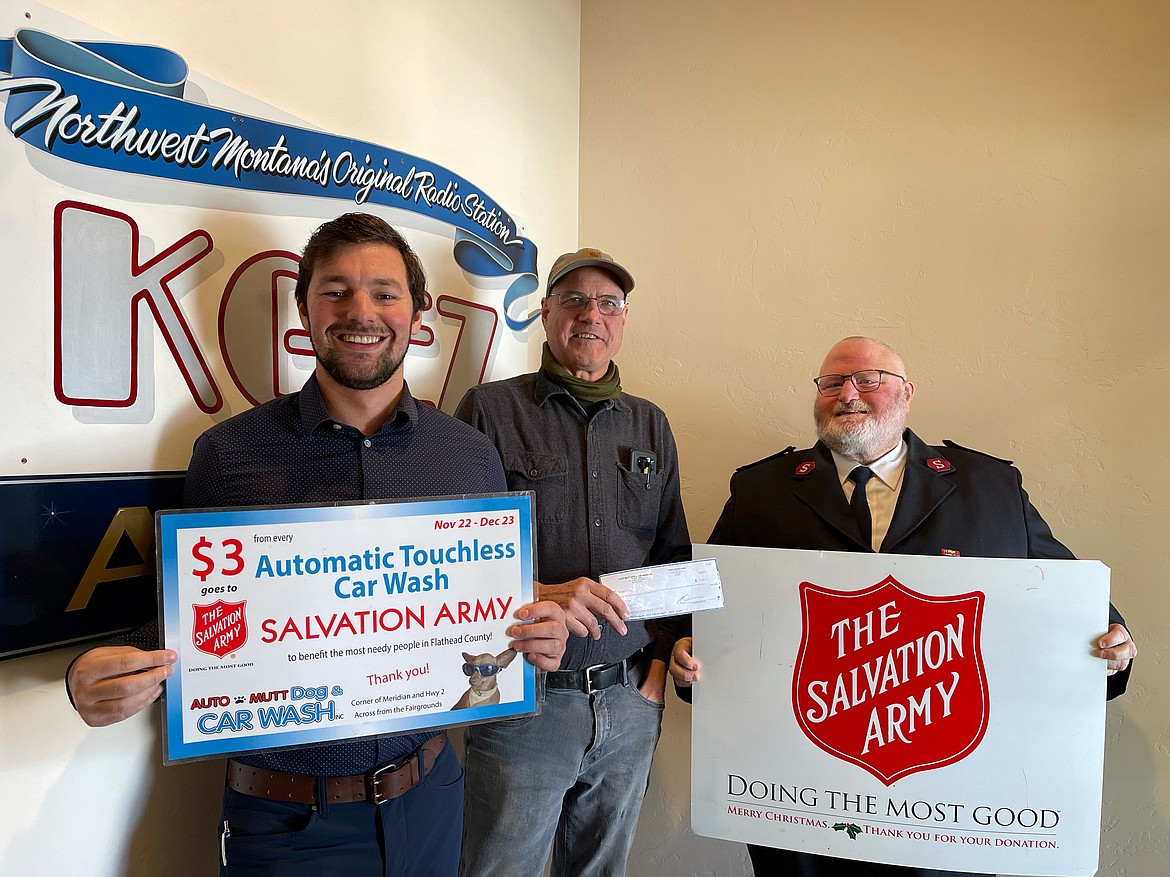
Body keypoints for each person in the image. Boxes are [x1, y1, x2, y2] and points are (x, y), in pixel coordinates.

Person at [65, 213, 569, 877]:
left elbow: (485, 615)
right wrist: (96, 678)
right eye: (336, 290)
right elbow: (192, 624)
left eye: (384, 292)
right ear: (302, 307)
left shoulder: (470, 457)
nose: (360, 311)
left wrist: (536, 633)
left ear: (418, 312)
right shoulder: (228, 454)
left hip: (433, 799)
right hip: (287, 824)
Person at [670, 335, 1137, 877]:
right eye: (831, 383)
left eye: (869, 380)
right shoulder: (762, 489)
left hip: (950, 804)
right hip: (802, 796)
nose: (848, 393)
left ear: (907, 393)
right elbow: (707, 595)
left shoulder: (990, 486)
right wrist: (686, 643)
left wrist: (1110, 635)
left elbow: (1062, 588)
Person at [454, 248, 691, 877]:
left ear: (624, 318)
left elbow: (672, 555)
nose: (592, 314)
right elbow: (452, 560)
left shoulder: (650, 425)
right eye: (576, 299)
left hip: (630, 699)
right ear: (547, 311)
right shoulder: (488, 411)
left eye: (608, 303)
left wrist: (659, 667)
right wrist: (540, 591)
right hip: (522, 702)